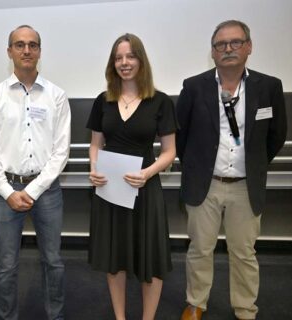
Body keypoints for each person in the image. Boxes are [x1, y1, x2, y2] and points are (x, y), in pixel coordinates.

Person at [176, 20, 287, 320]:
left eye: (235, 42)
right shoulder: (193, 87)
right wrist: (196, 168)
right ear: (212, 52)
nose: (228, 49)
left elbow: (276, 135)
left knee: (244, 253)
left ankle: (245, 309)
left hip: (246, 185)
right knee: (200, 249)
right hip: (205, 184)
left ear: (249, 46)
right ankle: (196, 303)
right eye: (220, 45)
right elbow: (180, 135)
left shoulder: (269, 87)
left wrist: (255, 165)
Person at [0, 25, 71, 320]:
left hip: (47, 190)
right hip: (5, 189)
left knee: (53, 260)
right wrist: (8, 192)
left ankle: (55, 315)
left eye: (32, 45)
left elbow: (61, 152)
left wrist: (30, 192)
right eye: (20, 45)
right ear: (10, 52)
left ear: (40, 52)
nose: (27, 50)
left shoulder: (56, 96)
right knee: (6, 264)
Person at [87, 33, 177, 320]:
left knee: (150, 258)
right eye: (118, 57)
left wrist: (148, 173)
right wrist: (93, 167)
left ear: (141, 60)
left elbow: (169, 152)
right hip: (111, 192)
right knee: (116, 260)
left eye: (130, 56)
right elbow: (95, 144)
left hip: (145, 190)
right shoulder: (103, 101)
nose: (124, 62)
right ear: (112, 64)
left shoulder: (160, 101)